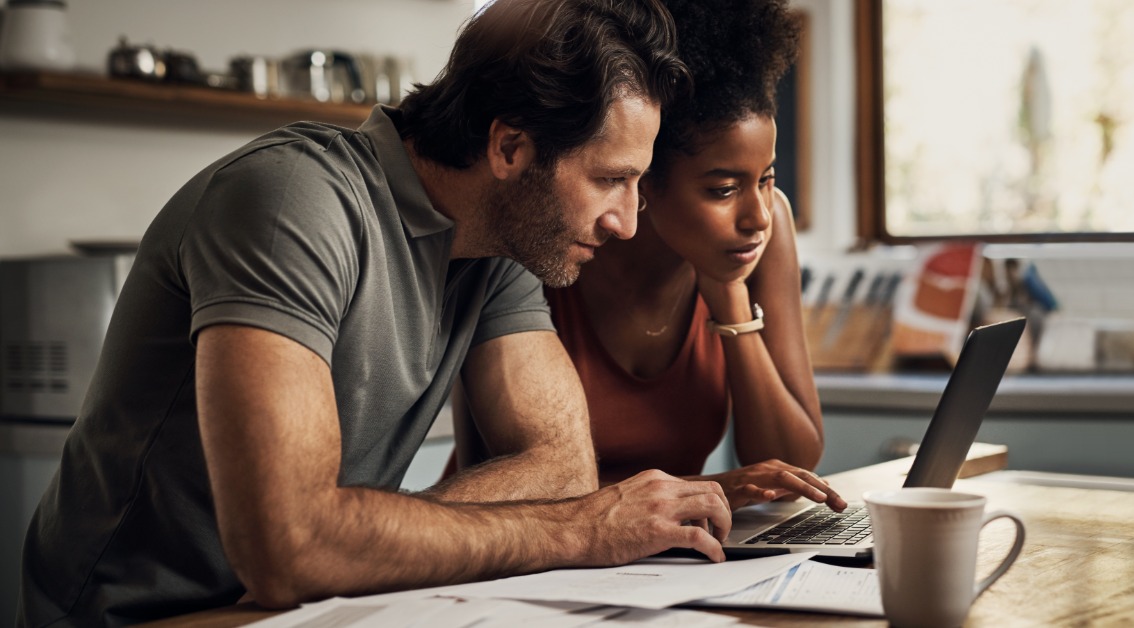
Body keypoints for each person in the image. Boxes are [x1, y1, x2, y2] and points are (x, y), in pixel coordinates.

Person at [17, 1, 738, 626]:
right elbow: (290, 547)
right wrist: (578, 533)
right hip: (142, 618)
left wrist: (364, 539)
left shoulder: (499, 247)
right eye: (611, 180)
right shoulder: (292, 200)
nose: (628, 223)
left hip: (310, 609)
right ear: (510, 147)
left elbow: (561, 466)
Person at [449, 0, 846, 513]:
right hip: (514, 547)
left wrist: (727, 296)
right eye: (723, 189)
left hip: (662, 558)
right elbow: (509, 477)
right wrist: (712, 489)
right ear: (644, 178)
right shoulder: (550, 241)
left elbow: (791, 464)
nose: (758, 216)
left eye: (767, 178)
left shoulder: (760, 237)